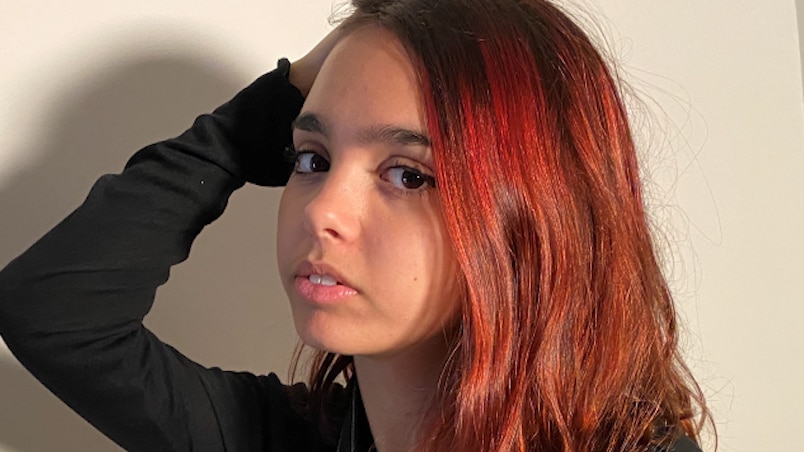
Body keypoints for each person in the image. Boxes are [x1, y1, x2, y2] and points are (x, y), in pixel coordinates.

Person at [0, 0, 712, 450]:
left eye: (408, 174)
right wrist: (267, 109)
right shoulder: (282, 436)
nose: (322, 209)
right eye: (310, 157)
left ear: (539, 216)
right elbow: (52, 312)